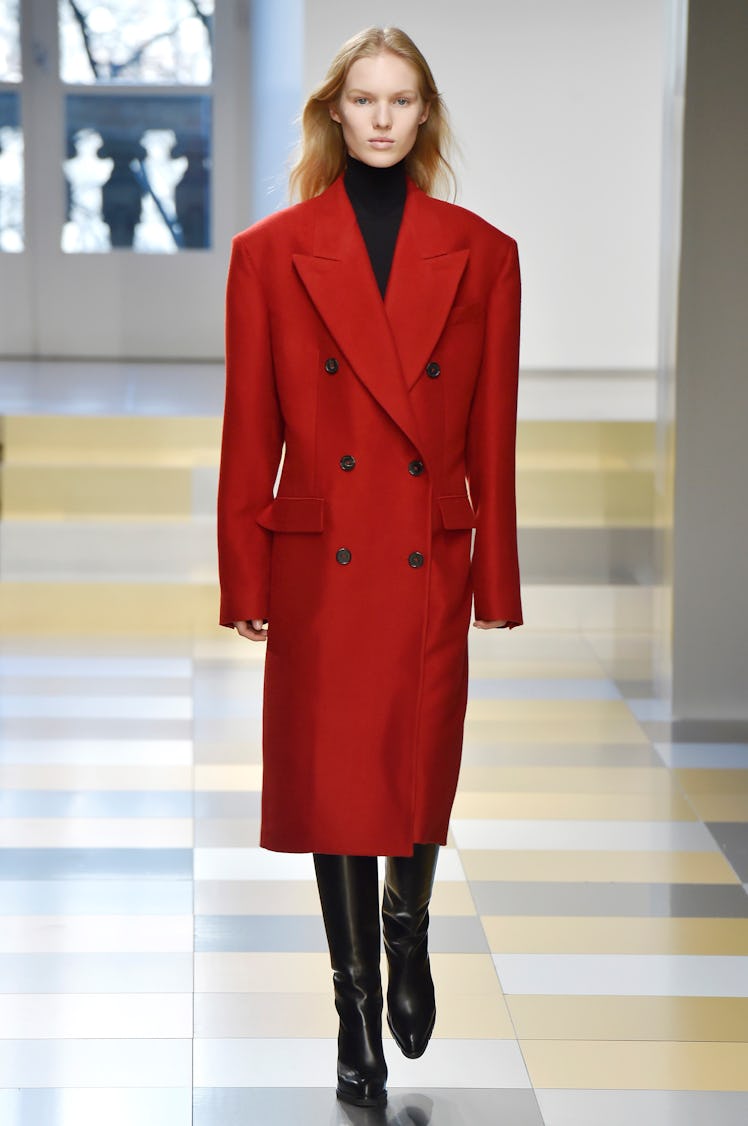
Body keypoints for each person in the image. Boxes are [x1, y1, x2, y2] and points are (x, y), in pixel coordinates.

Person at [217, 25, 522, 1109]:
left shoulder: (483, 253)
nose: (383, 117)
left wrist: (499, 575)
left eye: (401, 100)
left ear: (423, 113)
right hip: (327, 553)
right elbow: (249, 429)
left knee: (419, 756)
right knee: (333, 779)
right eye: (364, 99)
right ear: (334, 113)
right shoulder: (269, 252)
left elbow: (494, 432)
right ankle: (351, 1003)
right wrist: (243, 576)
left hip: (427, 549)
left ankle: (409, 924)